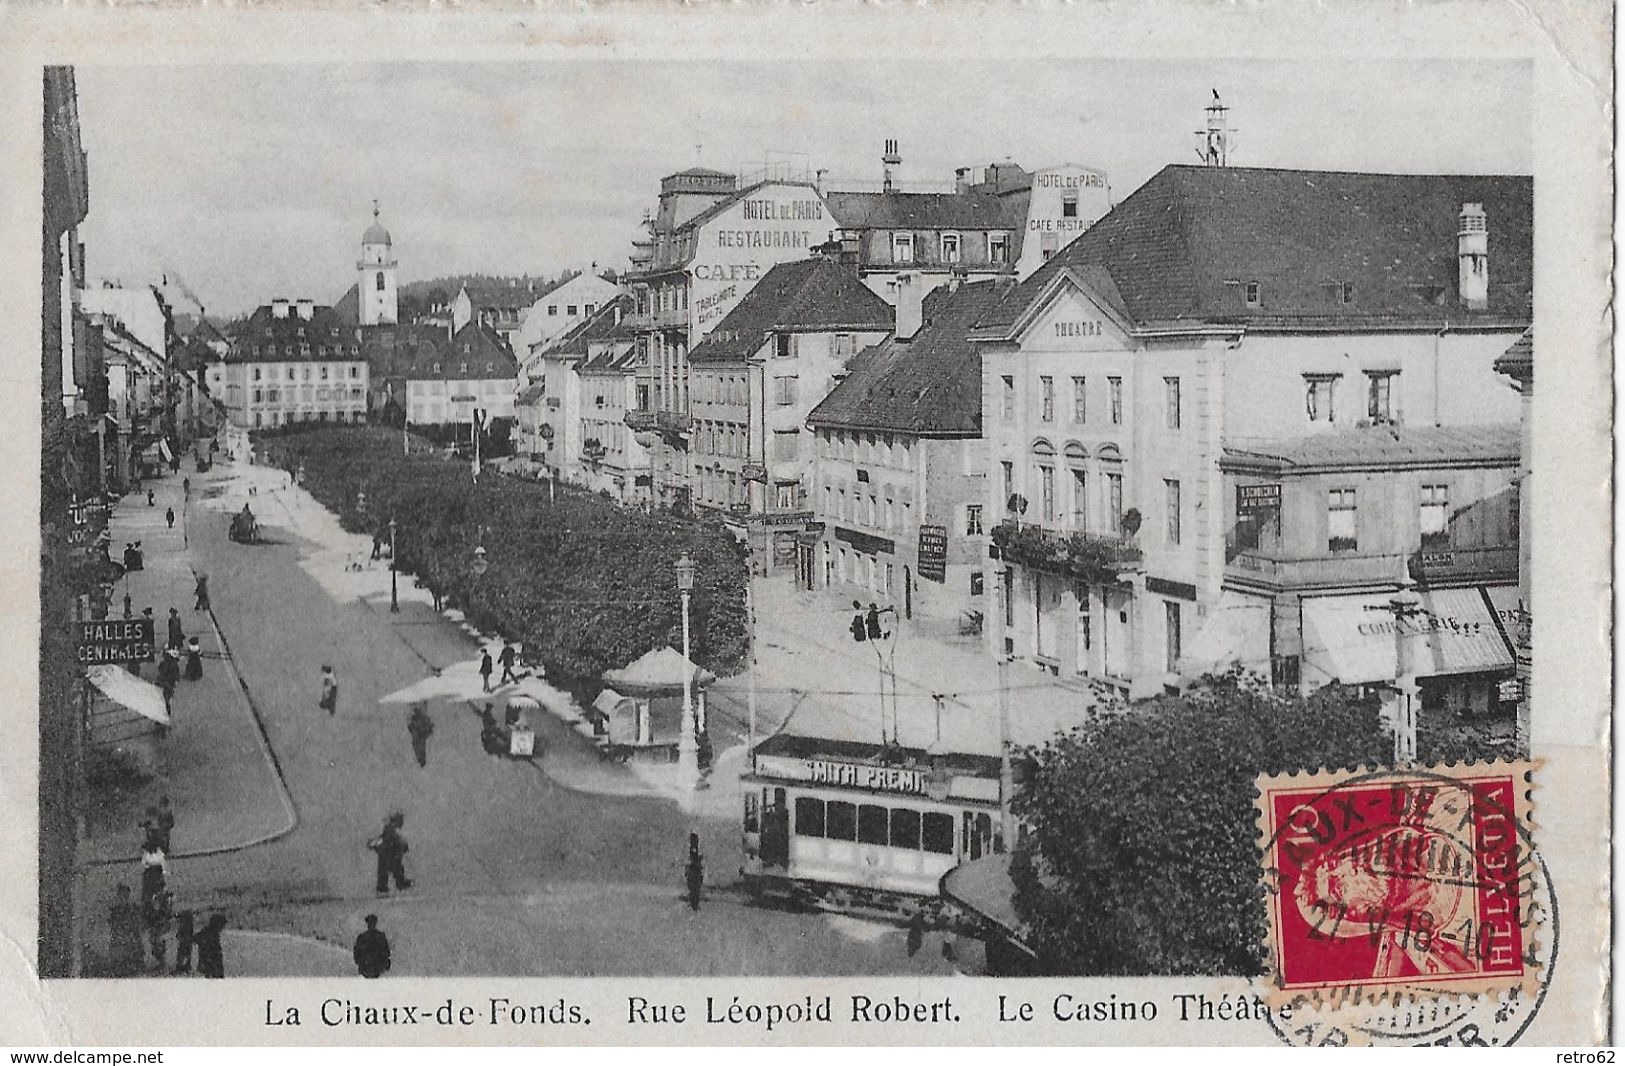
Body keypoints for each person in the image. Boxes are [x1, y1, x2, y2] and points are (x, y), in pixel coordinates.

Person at [108, 884, 144, 977]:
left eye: (125, 896)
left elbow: (136, 926)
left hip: (130, 941)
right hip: (120, 941)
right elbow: (113, 926)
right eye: (121, 896)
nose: (123, 898)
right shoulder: (115, 911)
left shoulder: (133, 910)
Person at [371, 813, 412, 894]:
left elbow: (383, 838)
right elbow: (392, 839)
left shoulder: (390, 829)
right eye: (401, 820)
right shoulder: (391, 830)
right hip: (391, 855)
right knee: (395, 871)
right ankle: (397, 884)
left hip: (387, 855)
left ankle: (384, 886)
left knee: (385, 874)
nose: (402, 823)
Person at [143, 886, 173, 971]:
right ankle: (161, 963)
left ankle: (162, 964)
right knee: (156, 944)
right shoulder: (155, 912)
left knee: (158, 944)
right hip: (157, 928)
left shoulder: (161, 912)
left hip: (159, 928)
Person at [407, 704, 434, 768]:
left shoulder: (419, 753)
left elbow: (417, 744)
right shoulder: (420, 752)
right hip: (419, 733)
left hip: (418, 733)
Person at [684, 833, 704, 912]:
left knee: (694, 886)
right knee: (695, 886)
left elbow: (693, 858)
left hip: (694, 870)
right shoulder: (694, 849)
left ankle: (694, 900)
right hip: (695, 870)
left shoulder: (693, 849)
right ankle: (694, 900)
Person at [156, 649, 180, 715]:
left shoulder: (165, 664)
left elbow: (161, 672)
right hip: (169, 684)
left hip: (166, 684)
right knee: (165, 699)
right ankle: (166, 712)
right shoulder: (174, 665)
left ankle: (165, 713)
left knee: (164, 699)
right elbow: (177, 677)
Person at [172, 910, 195, 974]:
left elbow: (182, 933)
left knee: (182, 953)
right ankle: (185, 966)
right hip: (187, 941)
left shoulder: (185, 925)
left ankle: (181, 967)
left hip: (184, 941)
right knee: (186, 953)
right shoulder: (189, 924)